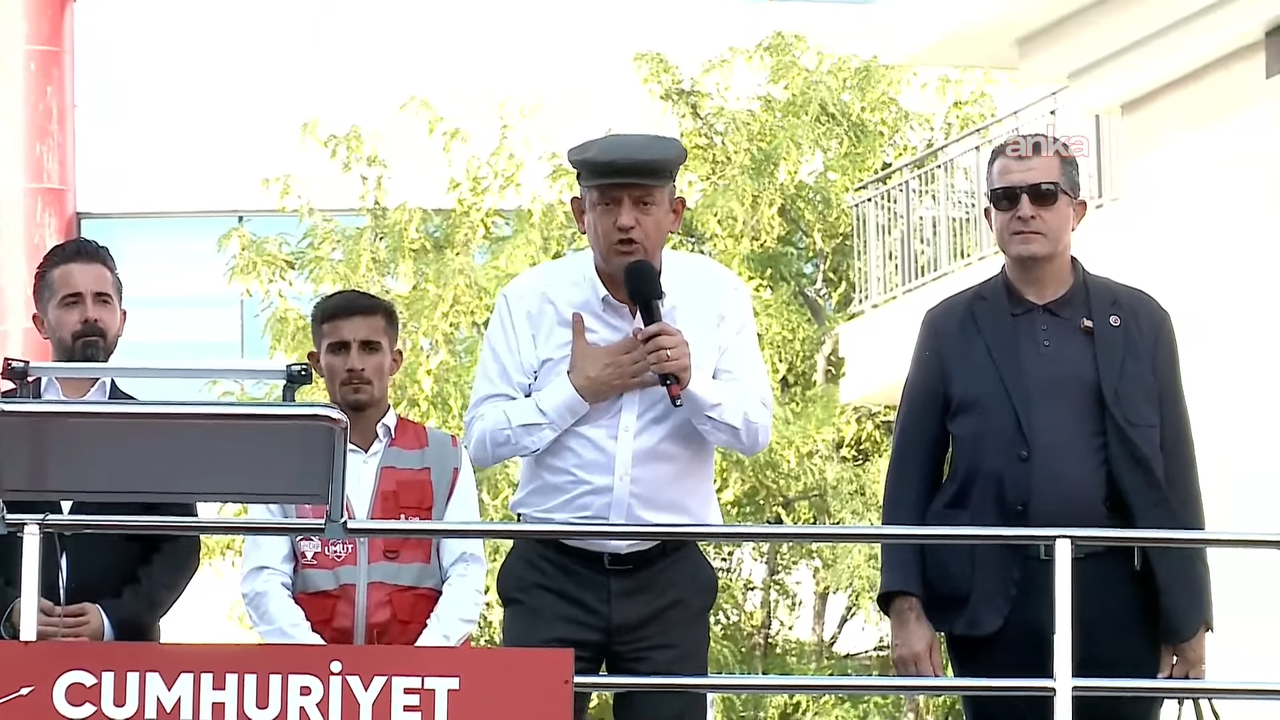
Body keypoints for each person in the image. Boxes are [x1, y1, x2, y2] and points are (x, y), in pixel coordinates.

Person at [878, 134, 1211, 720]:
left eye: (1044, 194)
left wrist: (1190, 615)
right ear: (989, 217)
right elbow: (909, 477)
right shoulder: (948, 327)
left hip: (1120, 600)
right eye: (1006, 198)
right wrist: (906, 607)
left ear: (1076, 210)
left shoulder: (1141, 321)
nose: (1024, 209)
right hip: (991, 604)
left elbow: (1176, 477)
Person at [464, 133, 774, 719]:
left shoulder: (717, 296)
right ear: (580, 214)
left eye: (644, 203)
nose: (625, 221)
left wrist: (693, 381)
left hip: (667, 575)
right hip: (551, 572)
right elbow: (479, 441)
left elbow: (754, 431)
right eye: (607, 204)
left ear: (674, 214)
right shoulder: (531, 299)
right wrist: (577, 391)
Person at [240, 290, 485, 646]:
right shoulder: (283, 463)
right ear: (317, 362)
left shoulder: (444, 455)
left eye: (370, 348)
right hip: (313, 674)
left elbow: (466, 571)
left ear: (394, 360)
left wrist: (423, 662)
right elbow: (263, 580)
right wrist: (321, 666)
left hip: (424, 671)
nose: (355, 363)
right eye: (339, 349)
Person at [0, 237, 201, 642]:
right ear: (41, 323)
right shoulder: (5, 418)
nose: (90, 314)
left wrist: (114, 620)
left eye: (102, 301)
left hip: (121, 663)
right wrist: (7, 610)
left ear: (121, 320)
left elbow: (180, 546)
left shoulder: (155, 430)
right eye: (72, 302)